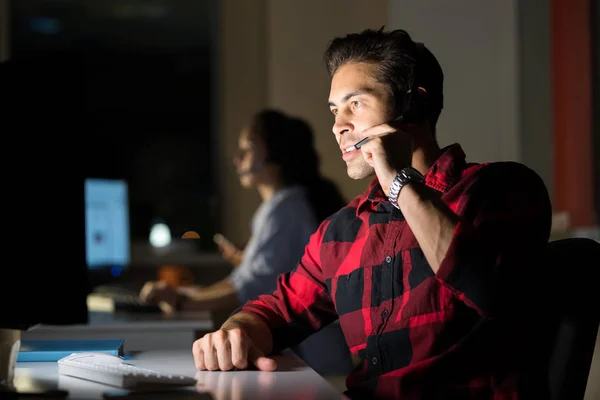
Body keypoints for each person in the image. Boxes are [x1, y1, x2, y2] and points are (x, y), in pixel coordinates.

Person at [191, 28, 553, 399]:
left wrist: (399, 183)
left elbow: (492, 291)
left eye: (356, 104)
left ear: (415, 105)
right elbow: (278, 309)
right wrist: (236, 330)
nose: (337, 125)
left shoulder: (500, 189)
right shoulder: (341, 231)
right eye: (335, 110)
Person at [140, 109, 347, 313]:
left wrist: (183, 303)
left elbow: (252, 289)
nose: (237, 159)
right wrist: (184, 295)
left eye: (246, 150)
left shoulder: (285, 210)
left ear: (273, 155)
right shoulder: (283, 206)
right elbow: (239, 282)